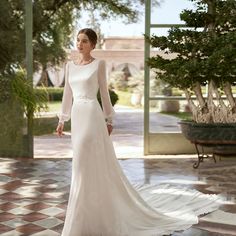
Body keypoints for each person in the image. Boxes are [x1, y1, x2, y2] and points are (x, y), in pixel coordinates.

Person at [56, 28, 223, 236]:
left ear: (93, 45)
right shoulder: (70, 66)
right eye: (78, 40)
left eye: (84, 41)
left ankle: (84, 219)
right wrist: (62, 119)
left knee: (85, 162)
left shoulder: (99, 64)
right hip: (78, 116)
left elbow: (104, 93)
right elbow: (67, 94)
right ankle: (89, 213)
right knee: (81, 165)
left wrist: (109, 118)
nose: (79, 45)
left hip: (92, 115)